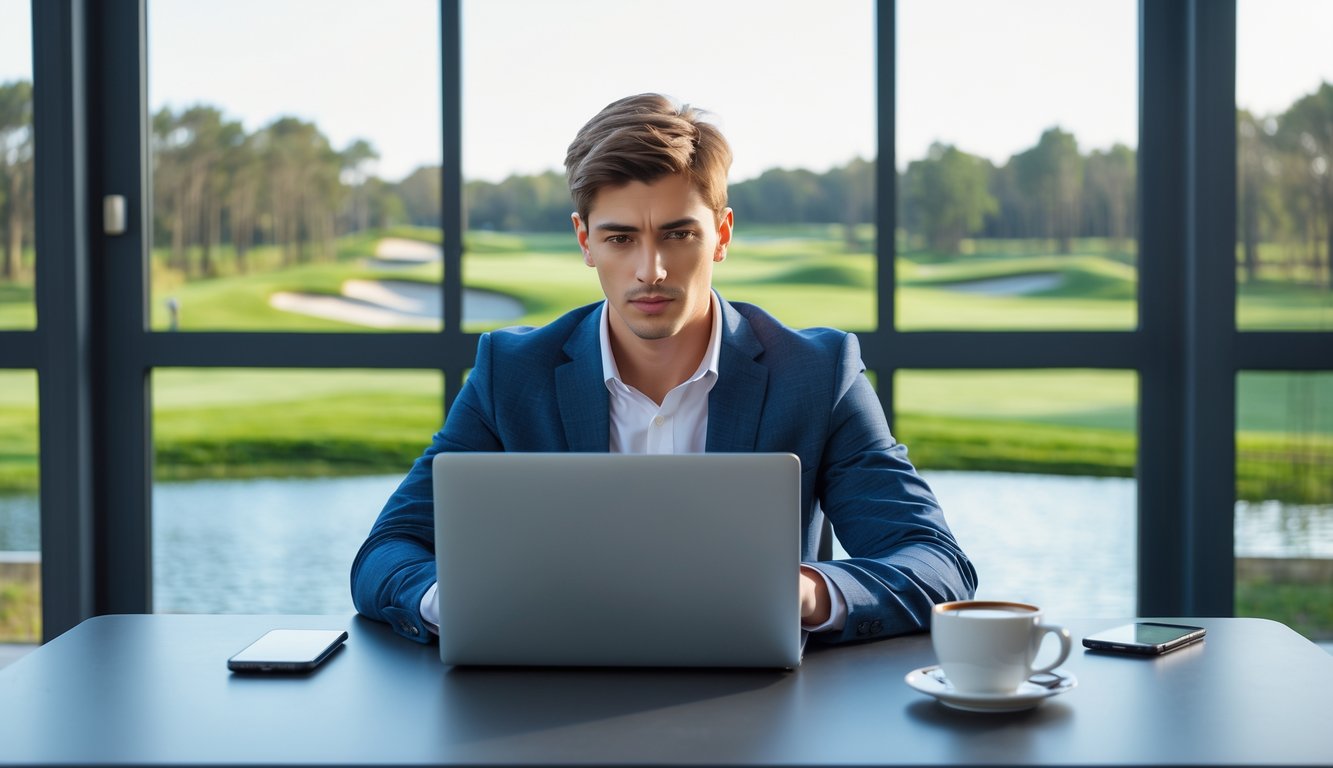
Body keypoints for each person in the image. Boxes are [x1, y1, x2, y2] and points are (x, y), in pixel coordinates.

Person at [351, 93, 976, 645]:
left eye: (678, 235)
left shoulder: (817, 374)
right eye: (621, 238)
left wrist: (806, 592)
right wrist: (451, 601)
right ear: (584, 241)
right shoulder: (511, 373)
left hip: (765, 716)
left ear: (722, 235)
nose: (651, 269)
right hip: (542, 706)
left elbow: (937, 565)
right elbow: (387, 552)